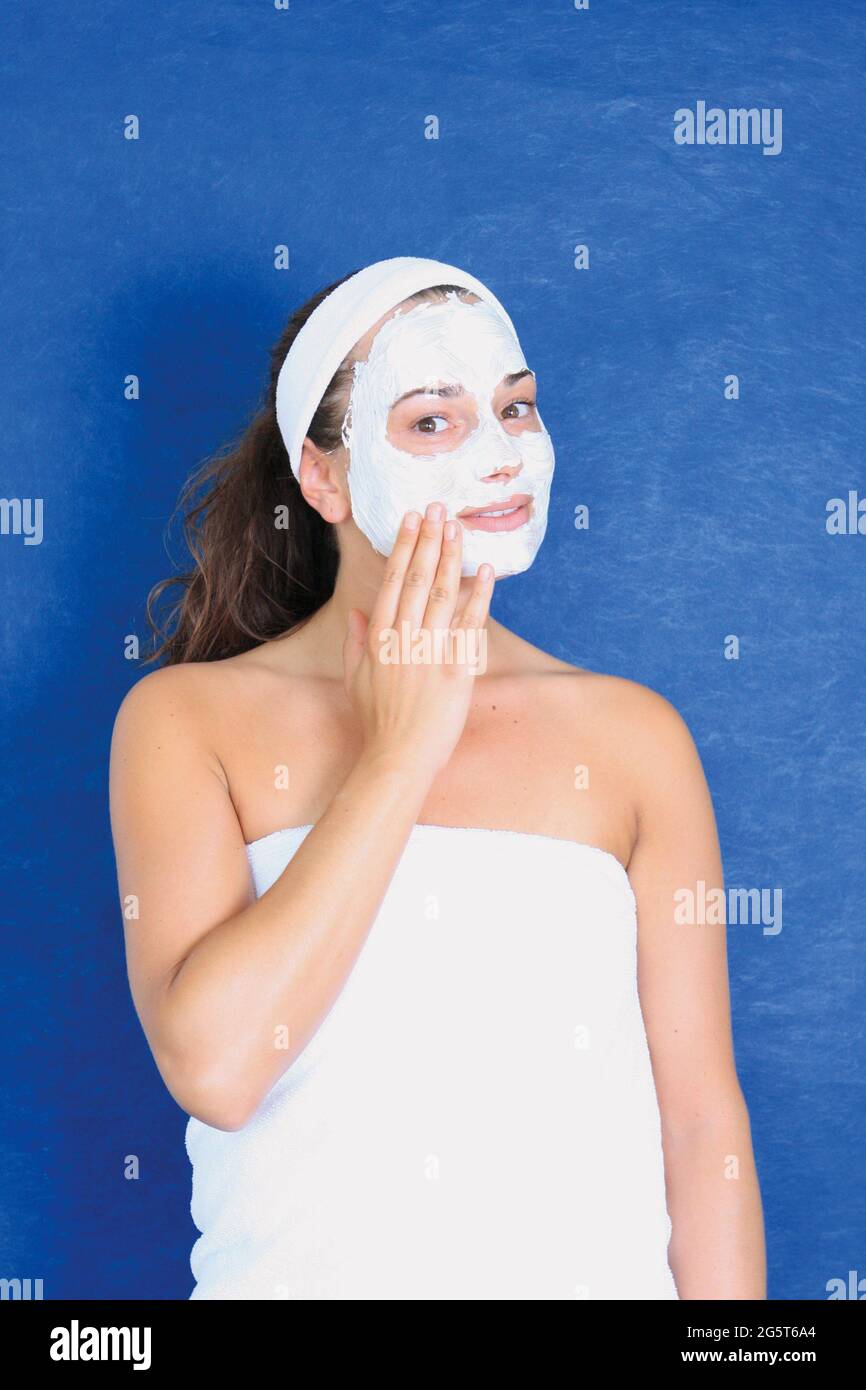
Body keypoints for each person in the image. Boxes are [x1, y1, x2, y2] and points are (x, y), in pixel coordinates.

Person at [109, 256, 765, 1300]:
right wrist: (398, 754)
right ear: (319, 478)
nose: (500, 455)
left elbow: (699, 1120)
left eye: (517, 408)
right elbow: (220, 1070)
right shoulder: (188, 722)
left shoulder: (633, 738)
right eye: (431, 420)